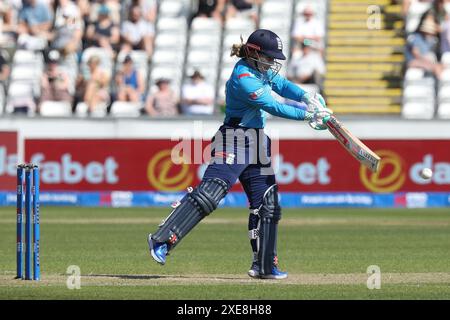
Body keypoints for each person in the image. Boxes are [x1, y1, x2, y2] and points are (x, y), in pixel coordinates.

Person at [147, 29, 333, 279]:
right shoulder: (243, 76)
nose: (272, 62)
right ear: (254, 53)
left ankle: (265, 265)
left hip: (258, 141)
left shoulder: (262, 70)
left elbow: (284, 86)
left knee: (267, 204)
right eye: (268, 57)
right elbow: (272, 105)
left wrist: (307, 97)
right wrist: (307, 115)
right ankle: (162, 240)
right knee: (210, 194)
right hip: (233, 138)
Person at [406, 10, 445, 79]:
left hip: (428, 62)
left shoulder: (434, 40)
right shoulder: (415, 37)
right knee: (437, 68)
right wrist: (432, 64)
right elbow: (416, 54)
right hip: (415, 62)